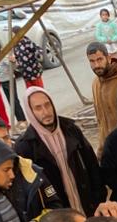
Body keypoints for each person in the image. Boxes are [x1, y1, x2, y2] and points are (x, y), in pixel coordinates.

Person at [15, 86, 104, 215]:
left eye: (47, 105)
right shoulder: (25, 146)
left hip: (89, 207)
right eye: (38, 108)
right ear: (30, 112)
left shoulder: (71, 130)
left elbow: (92, 164)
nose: (46, 112)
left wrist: (99, 198)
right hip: (59, 215)